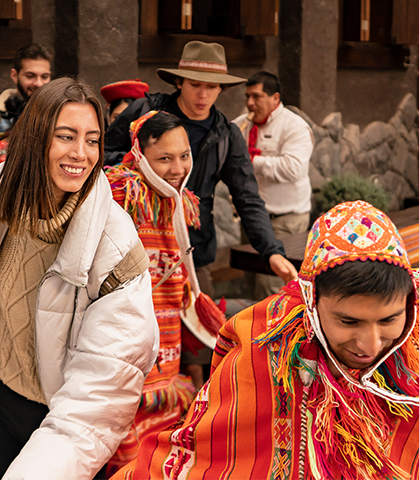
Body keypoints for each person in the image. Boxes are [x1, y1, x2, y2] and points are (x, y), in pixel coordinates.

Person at [113, 200, 419, 480]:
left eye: (387, 320)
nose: (371, 342)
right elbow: (208, 453)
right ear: (312, 302)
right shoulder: (265, 344)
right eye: (348, 322)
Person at [0, 77, 159, 479]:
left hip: (68, 425)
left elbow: (99, 396)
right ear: (35, 139)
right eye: (66, 136)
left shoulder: (114, 246)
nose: (80, 154)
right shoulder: (2, 199)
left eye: (92, 140)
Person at [104, 40, 296, 388]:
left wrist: (272, 252)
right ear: (179, 82)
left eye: (211, 86)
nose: (203, 95)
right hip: (136, 242)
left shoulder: (226, 135)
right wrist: (139, 180)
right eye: (195, 85)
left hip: (193, 247)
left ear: (222, 89)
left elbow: (248, 197)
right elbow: (106, 150)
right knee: (134, 336)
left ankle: (192, 417)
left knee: (201, 342)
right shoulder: (146, 112)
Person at [104, 111, 224, 474]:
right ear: (140, 154)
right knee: (122, 433)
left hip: (166, 338)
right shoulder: (120, 191)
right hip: (123, 336)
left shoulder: (179, 200)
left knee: (160, 440)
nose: (176, 167)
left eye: (183, 155)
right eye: (165, 158)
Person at [233, 71, 314, 298]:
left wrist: (251, 160)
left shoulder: (294, 126)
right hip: (251, 219)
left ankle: (272, 333)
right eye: (248, 96)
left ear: (275, 99)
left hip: (284, 220)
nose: (249, 103)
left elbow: (293, 168)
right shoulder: (241, 125)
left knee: (271, 289)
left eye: (257, 97)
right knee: (250, 280)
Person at [0, 43, 52, 142]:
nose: (39, 83)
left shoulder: (58, 111)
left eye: (44, 76)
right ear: (15, 75)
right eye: (30, 76)